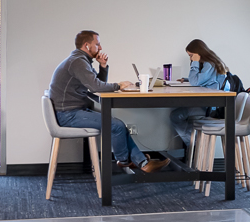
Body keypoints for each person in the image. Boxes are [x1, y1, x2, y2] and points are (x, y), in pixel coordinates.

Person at [48, 30, 168, 173]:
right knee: (117, 125)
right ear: (87, 45)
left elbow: (97, 86)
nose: (100, 48)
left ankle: (140, 162)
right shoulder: (78, 62)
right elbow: (96, 87)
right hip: (68, 114)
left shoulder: (80, 60)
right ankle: (126, 161)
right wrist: (119, 85)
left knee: (118, 125)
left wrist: (103, 66)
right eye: (97, 44)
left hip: (71, 111)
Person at [169, 38, 232, 160]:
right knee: (180, 114)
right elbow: (204, 81)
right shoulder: (213, 63)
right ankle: (194, 146)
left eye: (191, 55)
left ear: (198, 53)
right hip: (211, 105)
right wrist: (186, 80)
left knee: (175, 116)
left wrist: (195, 63)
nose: (191, 59)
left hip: (210, 108)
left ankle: (195, 146)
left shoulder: (208, 64)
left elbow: (195, 82)